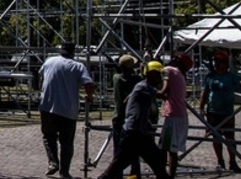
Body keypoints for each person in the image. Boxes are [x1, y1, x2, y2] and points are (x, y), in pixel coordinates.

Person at [96, 61, 172, 179]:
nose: (159, 78)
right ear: (149, 74)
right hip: (133, 133)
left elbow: (127, 99)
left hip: (139, 133)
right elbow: (163, 94)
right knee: (117, 165)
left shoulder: (142, 86)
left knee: (157, 161)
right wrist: (167, 79)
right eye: (157, 75)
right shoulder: (143, 86)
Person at [38, 42, 96, 179]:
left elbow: (40, 76)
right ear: (73, 52)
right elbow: (88, 83)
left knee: (48, 136)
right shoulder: (77, 66)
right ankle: (64, 172)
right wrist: (89, 96)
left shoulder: (49, 61)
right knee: (66, 142)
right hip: (67, 109)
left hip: (47, 106)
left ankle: (53, 162)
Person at [199, 50, 241, 171]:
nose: (218, 64)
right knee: (216, 137)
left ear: (226, 63)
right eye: (216, 61)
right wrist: (201, 107)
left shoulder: (231, 77)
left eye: (221, 62)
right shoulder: (210, 77)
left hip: (227, 113)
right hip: (213, 112)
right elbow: (205, 92)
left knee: (230, 138)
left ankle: (233, 162)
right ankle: (220, 161)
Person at [157, 52, 191, 178]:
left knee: (167, 149)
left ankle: (166, 175)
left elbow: (164, 88)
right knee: (170, 148)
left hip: (173, 117)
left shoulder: (169, 70)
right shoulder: (180, 75)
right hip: (181, 116)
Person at [111, 54, 142, 179]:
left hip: (118, 117)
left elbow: (119, 73)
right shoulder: (137, 80)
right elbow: (139, 77)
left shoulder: (116, 78)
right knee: (134, 149)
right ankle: (135, 174)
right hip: (132, 118)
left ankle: (117, 175)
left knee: (118, 149)